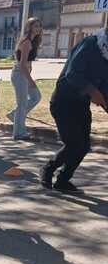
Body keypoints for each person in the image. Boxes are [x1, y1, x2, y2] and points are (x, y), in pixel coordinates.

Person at [39, 27, 108, 193]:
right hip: (63, 102)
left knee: (84, 146)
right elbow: (73, 74)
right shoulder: (90, 44)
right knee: (74, 144)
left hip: (81, 105)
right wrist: (92, 91)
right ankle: (48, 169)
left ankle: (63, 180)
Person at [7, 18, 43, 140]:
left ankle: (14, 115)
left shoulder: (33, 42)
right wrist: (31, 80)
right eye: (35, 26)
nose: (37, 28)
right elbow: (22, 64)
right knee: (22, 103)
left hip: (23, 73)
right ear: (29, 27)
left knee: (35, 97)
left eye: (39, 26)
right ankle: (18, 133)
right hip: (19, 74)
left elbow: (28, 62)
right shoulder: (27, 42)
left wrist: (29, 72)